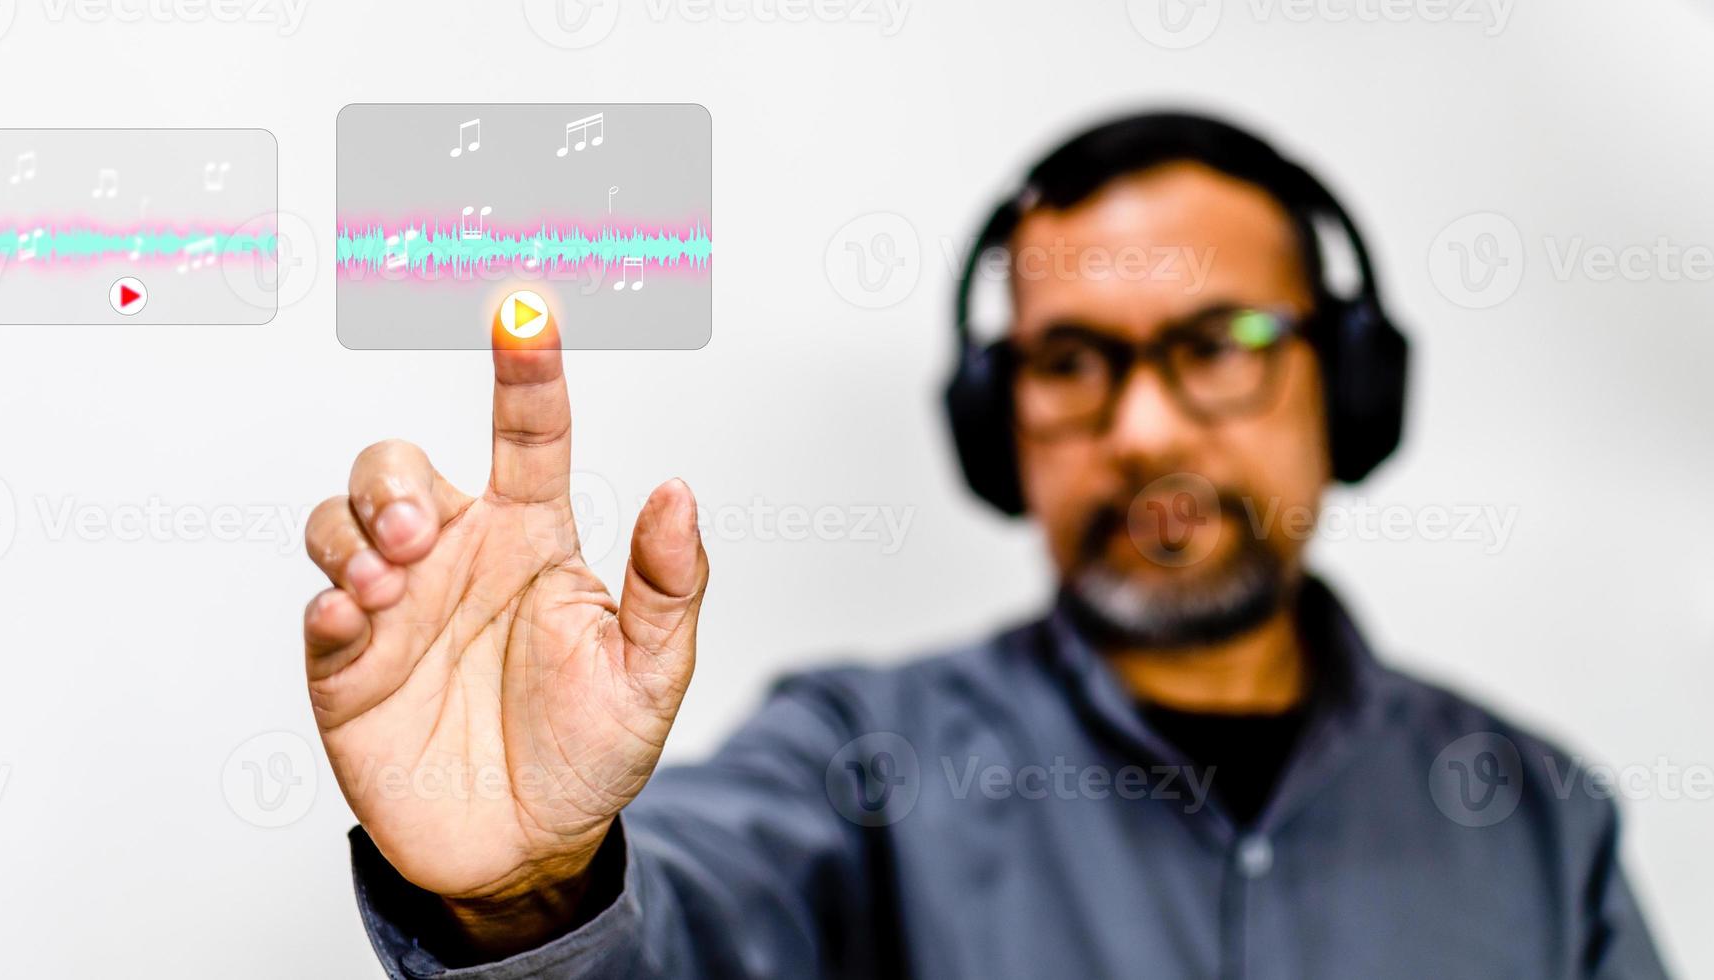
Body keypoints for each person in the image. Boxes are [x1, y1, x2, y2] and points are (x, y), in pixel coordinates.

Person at [296, 112, 1669, 978]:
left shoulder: (1540, 821)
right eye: (1070, 359)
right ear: (992, 422)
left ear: (1351, 388)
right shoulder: (857, 764)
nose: (1140, 429)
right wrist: (532, 897)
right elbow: (680, 934)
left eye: (1220, 347)